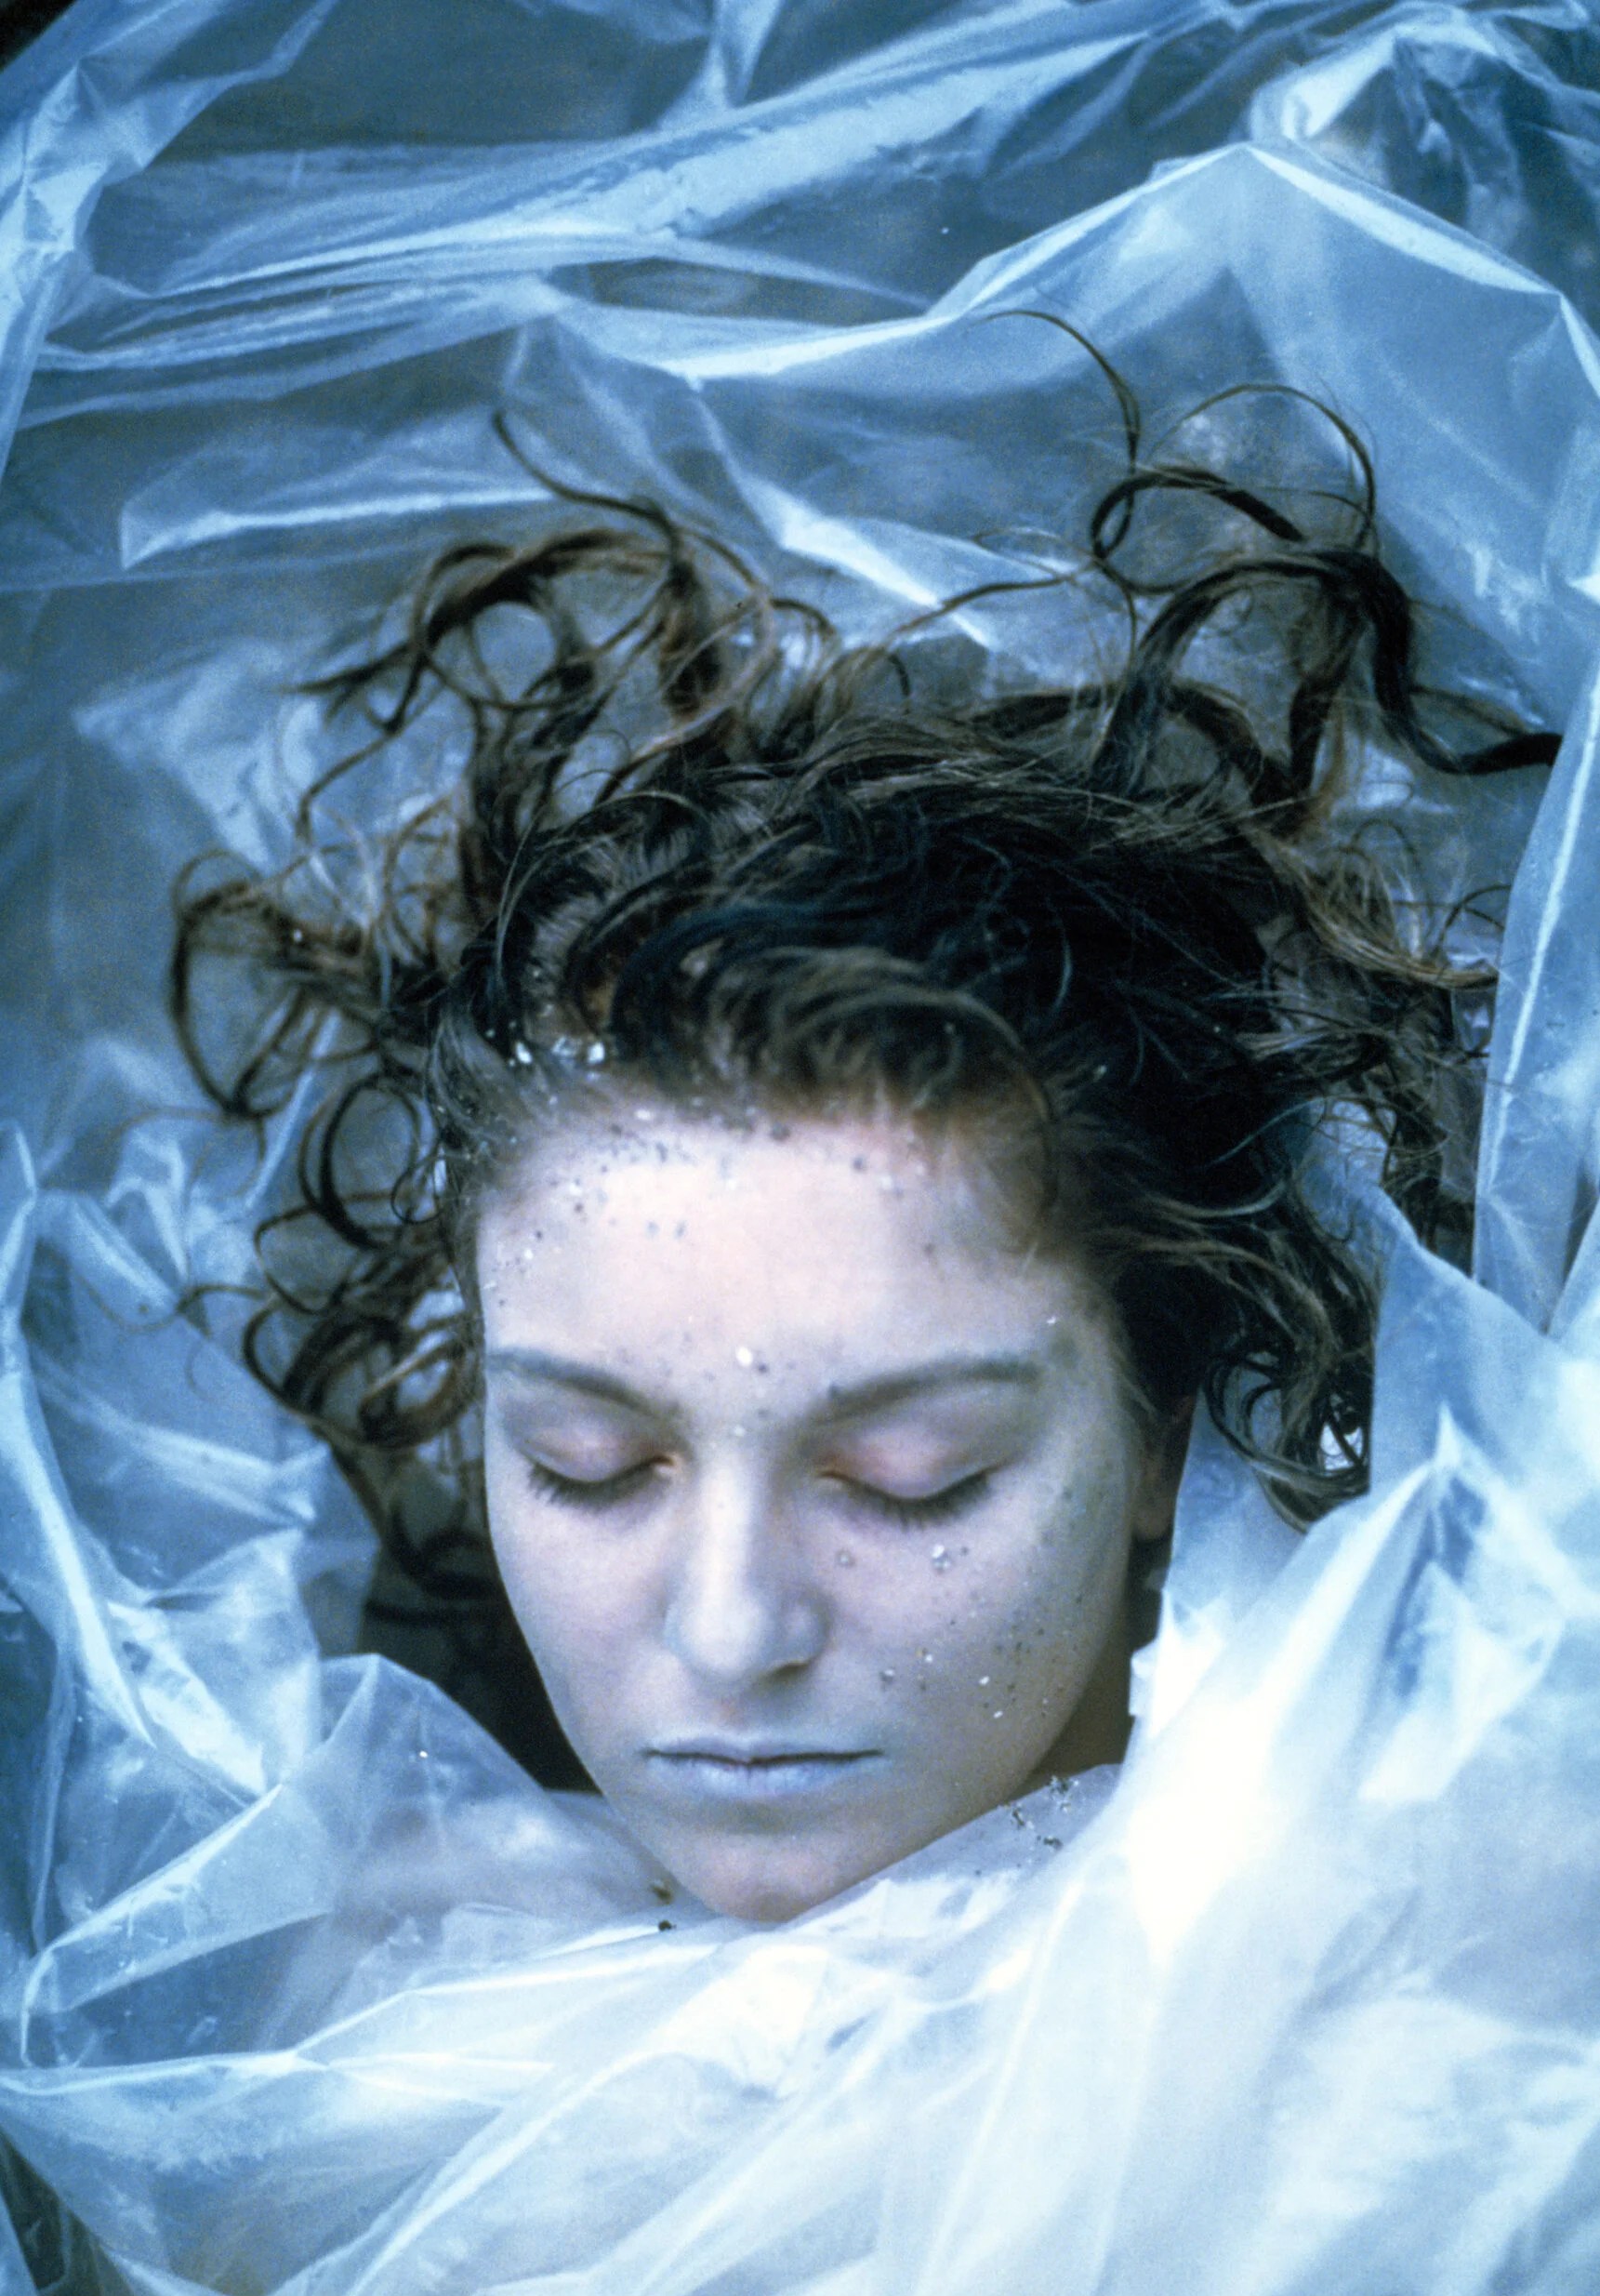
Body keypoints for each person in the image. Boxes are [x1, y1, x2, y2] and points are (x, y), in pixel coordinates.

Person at [169, 390, 1555, 1929]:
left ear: (1166, 1434)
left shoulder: (1471, 1968)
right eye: (586, 1464)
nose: (729, 1631)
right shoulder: (366, 1985)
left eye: (912, 1478)